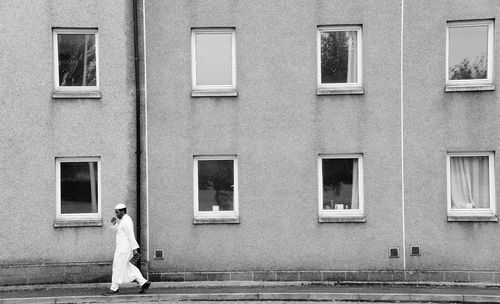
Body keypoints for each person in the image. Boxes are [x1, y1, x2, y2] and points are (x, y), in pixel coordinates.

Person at [106, 203, 151, 295]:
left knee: (117, 267)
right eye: (115, 212)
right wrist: (115, 224)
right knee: (128, 267)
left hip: (124, 249)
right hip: (123, 248)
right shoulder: (124, 220)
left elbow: (131, 235)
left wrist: (135, 249)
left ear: (122, 211)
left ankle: (114, 289)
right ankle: (144, 283)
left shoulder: (127, 220)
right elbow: (121, 231)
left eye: (117, 212)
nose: (116, 214)